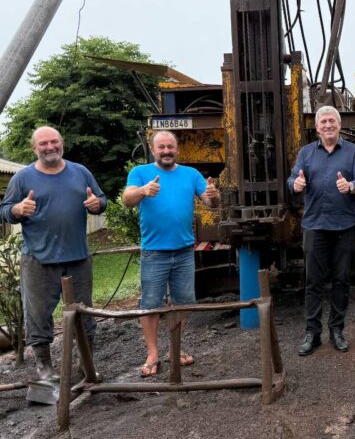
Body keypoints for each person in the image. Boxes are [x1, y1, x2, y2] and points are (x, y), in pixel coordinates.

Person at [0, 126, 106, 380]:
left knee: (84, 314)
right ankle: (45, 370)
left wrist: (97, 204)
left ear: (62, 143)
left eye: (54, 141)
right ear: (34, 148)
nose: (50, 147)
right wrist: (17, 210)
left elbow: (102, 200)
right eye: (44, 143)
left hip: (78, 258)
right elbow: (4, 211)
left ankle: (86, 365)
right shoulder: (22, 178)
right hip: (38, 260)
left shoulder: (80, 172)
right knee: (38, 316)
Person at [123, 130, 220, 377]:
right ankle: (152, 353)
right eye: (162, 147)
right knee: (150, 304)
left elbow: (211, 202)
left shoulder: (191, 174)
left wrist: (213, 195)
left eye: (170, 147)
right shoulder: (140, 173)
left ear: (177, 149)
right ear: (153, 149)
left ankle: (175, 348)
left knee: (184, 302)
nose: (166, 151)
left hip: (184, 251)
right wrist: (143, 191)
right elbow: (127, 198)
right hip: (154, 252)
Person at [288, 105, 355, 356]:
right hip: (315, 225)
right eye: (323, 122)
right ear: (317, 128)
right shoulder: (306, 152)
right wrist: (296, 184)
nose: (328, 125)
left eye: (332, 121)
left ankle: (336, 330)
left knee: (341, 280)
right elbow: (292, 179)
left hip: (345, 226)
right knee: (313, 281)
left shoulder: (353, 152)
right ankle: (312, 333)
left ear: (339, 124)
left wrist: (351, 186)